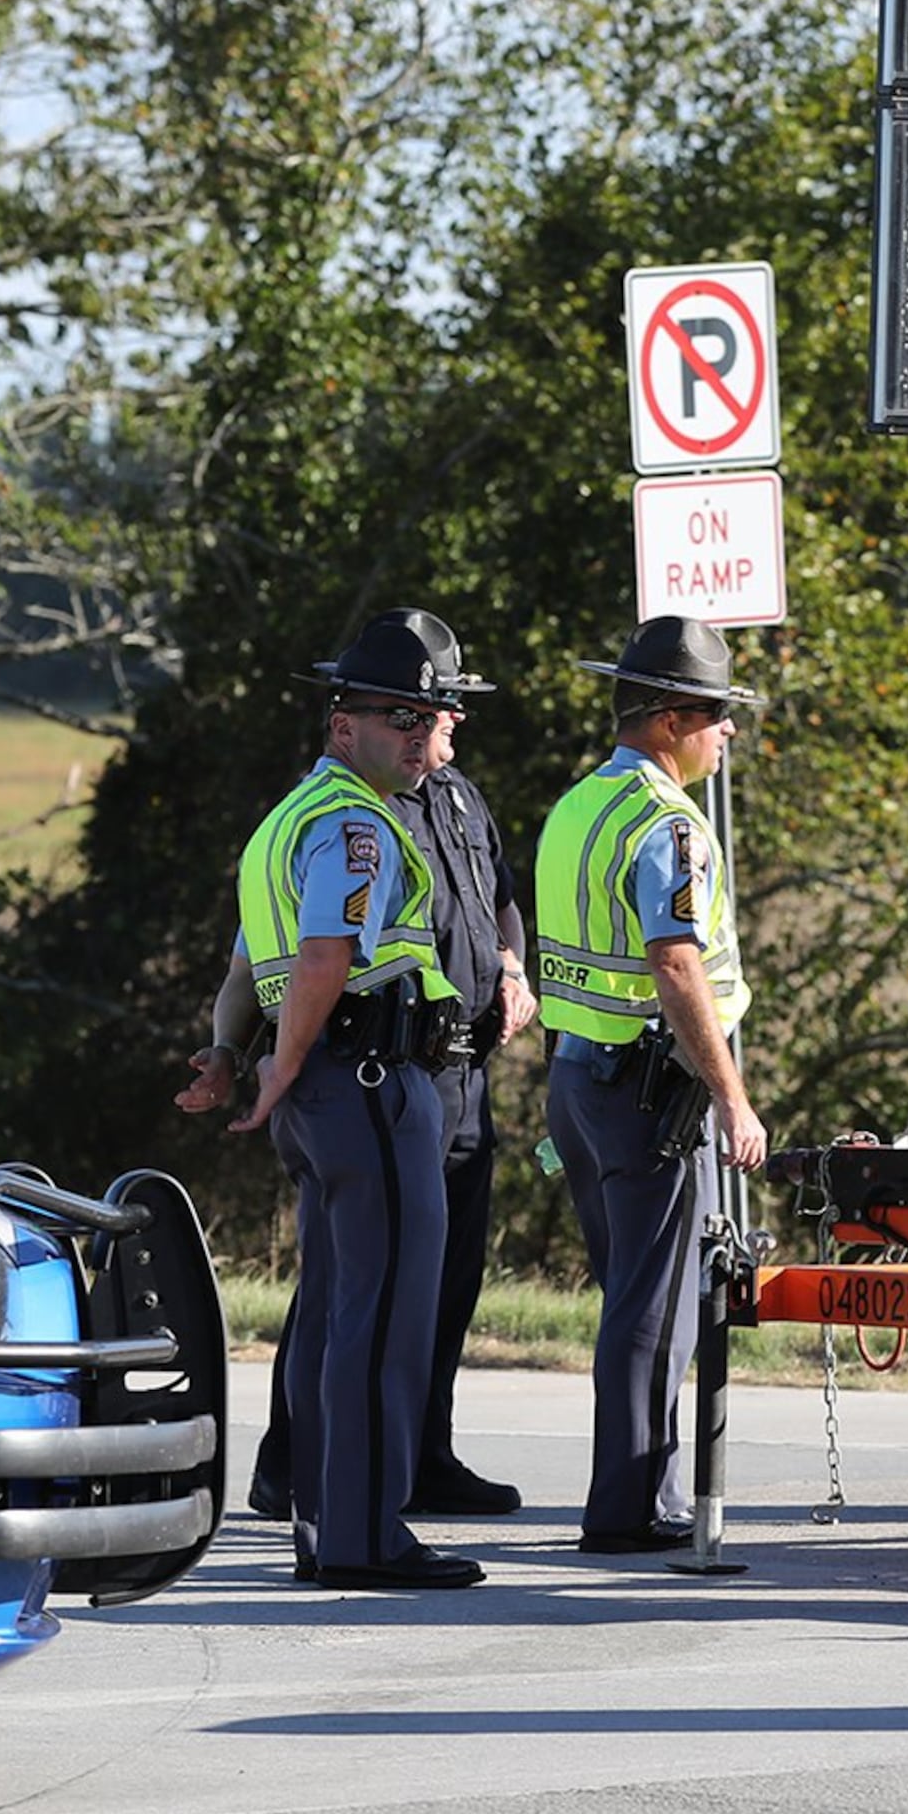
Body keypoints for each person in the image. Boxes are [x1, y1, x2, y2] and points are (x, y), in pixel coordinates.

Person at [180, 620, 482, 1590]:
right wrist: (276, 1066)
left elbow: (242, 966)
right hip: (366, 1083)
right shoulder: (356, 824)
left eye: (431, 718)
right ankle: (363, 1535)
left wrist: (235, 1051)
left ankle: (326, 1520)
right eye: (404, 718)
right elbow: (322, 958)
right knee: (383, 1315)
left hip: (328, 1085)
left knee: (335, 1315)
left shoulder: (291, 818)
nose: (424, 737)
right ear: (342, 721)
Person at [534, 615, 769, 1555]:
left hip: (580, 1077)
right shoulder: (672, 826)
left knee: (631, 1293)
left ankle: (636, 1492)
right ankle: (632, 1505)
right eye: (716, 714)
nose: (729, 733)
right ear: (672, 719)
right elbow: (676, 964)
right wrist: (731, 1094)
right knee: (659, 1303)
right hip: (646, 1090)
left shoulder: (579, 805)